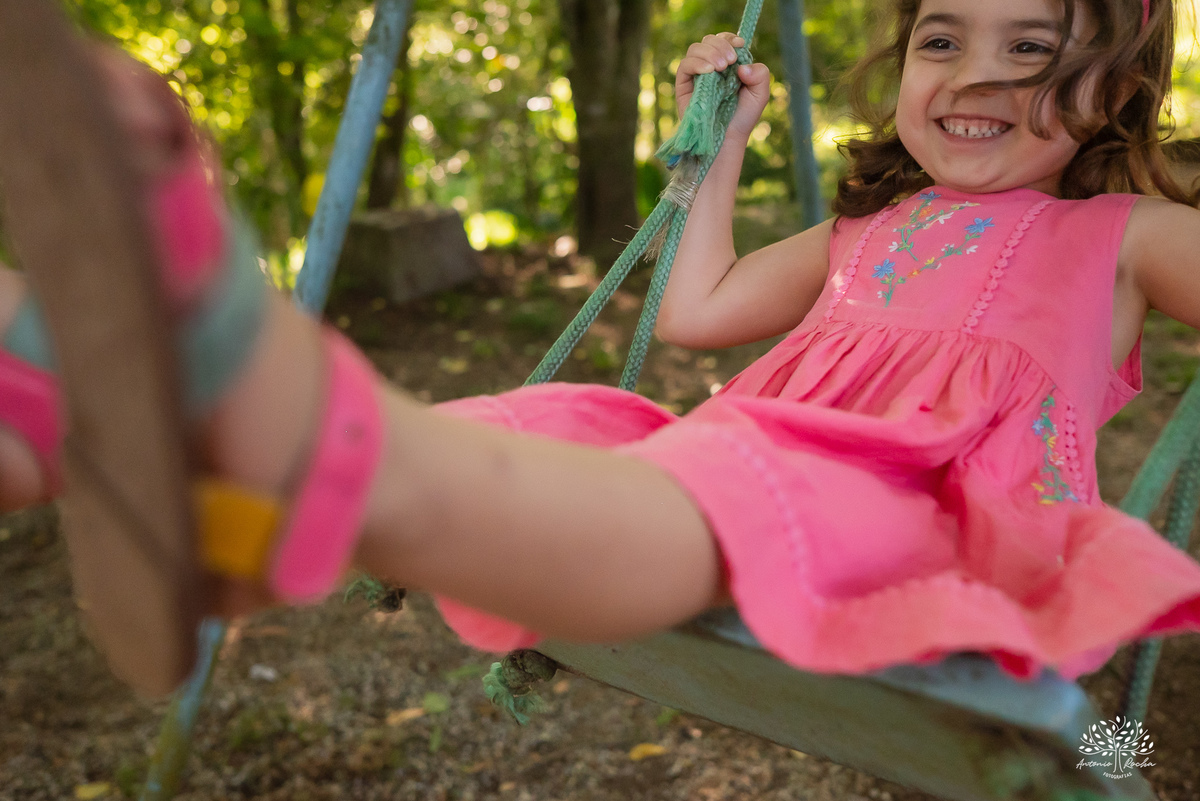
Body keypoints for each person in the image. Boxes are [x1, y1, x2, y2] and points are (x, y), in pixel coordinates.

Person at [3, 0, 1200, 694]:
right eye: (941, 41)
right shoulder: (865, 230)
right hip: (731, 464)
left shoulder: (1124, 233)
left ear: (1114, 87)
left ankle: (266, 418)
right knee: (539, 424)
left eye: (1032, 48)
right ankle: (172, 457)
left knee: (1112, 738)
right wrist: (723, 144)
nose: (974, 71)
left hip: (931, 524)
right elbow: (695, 311)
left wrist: (1121, 745)